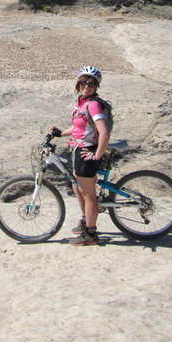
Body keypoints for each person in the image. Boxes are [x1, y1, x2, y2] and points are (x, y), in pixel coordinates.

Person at [52, 66, 110, 246]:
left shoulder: (93, 104)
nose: (87, 85)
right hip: (78, 149)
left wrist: (96, 155)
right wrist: (60, 133)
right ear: (78, 84)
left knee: (89, 194)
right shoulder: (82, 102)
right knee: (76, 186)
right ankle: (86, 220)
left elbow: (104, 132)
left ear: (97, 85)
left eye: (91, 83)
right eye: (84, 82)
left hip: (86, 153)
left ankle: (91, 234)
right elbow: (79, 128)